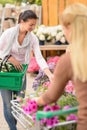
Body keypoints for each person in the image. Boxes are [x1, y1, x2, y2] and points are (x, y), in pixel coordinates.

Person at [35, 3, 87, 130]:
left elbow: (51, 96)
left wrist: (36, 102)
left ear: (70, 28)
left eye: (63, 28)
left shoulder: (71, 59)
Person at [0, 10, 53, 130]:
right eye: (31, 24)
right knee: (8, 105)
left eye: (35, 25)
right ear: (22, 22)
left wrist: (49, 74)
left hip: (20, 73)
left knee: (18, 104)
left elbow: (39, 57)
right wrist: (11, 58)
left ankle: (12, 127)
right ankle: (13, 128)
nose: (33, 27)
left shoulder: (32, 38)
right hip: (5, 72)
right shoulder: (7, 34)